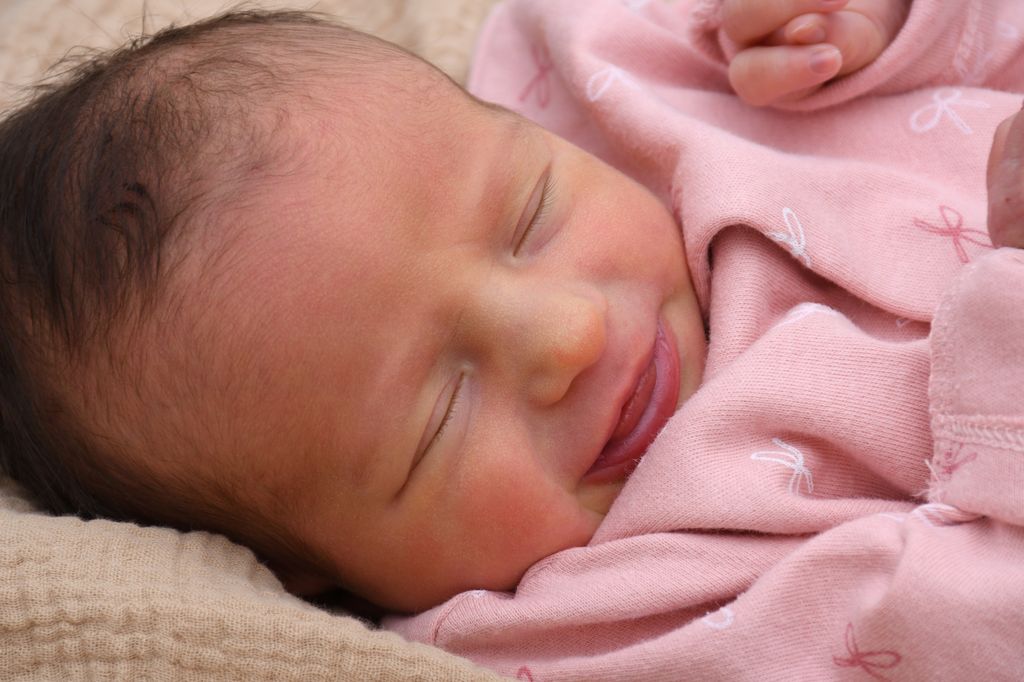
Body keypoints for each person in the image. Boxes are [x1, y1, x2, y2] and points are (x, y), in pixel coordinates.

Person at [0, 0, 1020, 676]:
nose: (566, 335)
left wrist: (880, 28)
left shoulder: (608, 82)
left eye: (529, 217)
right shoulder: (596, 622)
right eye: (441, 413)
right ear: (316, 572)